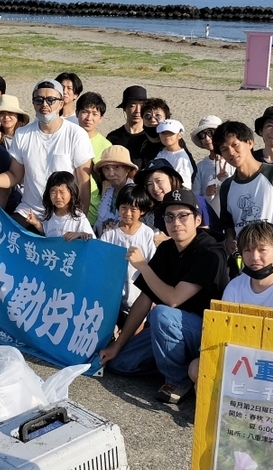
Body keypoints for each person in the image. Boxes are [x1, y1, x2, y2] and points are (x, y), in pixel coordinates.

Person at [99, 189, 229, 404]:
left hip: (205, 332)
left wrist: (142, 265)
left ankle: (177, 380)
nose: (176, 222)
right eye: (170, 217)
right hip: (170, 329)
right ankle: (181, 364)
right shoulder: (167, 248)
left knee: (162, 314)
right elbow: (145, 298)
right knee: (120, 363)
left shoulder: (211, 252)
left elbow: (173, 299)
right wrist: (118, 345)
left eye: (183, 216)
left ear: (197, 220)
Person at [213, 120, 273, 267]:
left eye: (235, 145)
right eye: (224, 149)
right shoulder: (227, 186)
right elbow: (228, 224)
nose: (231, 152)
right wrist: (229, 239)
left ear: (250, 143)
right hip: (246, 264)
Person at [6, 79, 94, 225]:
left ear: (61, 103)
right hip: (29, 211)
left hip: (64, 212)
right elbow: (14, 176)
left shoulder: (76, 134)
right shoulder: (22, 134)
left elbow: (84, 182)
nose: (44, 105)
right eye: (39, 100)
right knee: (7, 234)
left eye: (51, 100)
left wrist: (80, 220)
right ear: (33, 103)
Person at [99, 184, 156, 323]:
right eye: (124, 208)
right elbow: (100, 261)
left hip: (138, 297)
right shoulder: (109, 233)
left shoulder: (147, 233)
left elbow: (153, 265)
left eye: (133, 209)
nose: (127, 213)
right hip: (112, 298)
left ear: (142, 211)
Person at [138, 159, 218, 242]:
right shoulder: (151, 209)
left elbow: (206, 237)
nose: (155, 188)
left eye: (159, 181)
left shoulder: (194, 200)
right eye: (149, 184)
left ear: (172, 179)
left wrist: (169, 239)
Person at [75, 92, 112, 225]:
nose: (89, 118)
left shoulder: (106, 147)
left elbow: (108, 184)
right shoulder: (66, 138)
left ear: (101, 118)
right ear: (77, 113)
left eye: (95, 114)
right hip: (64, 208)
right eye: (85, 112)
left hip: (94, 213)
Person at [27, 171, 95, 240]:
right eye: (53, 192)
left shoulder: (78, 217)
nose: (58, 197)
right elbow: (46, 232)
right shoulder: (49, 216)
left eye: (62, 192)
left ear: (72, 193)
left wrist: (80, 235)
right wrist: (36, 223)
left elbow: (91, 238)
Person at [190, 115, 234, 217]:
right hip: (210, 218)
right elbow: (196, 198)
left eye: (211, 133)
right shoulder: (200, 167)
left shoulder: (233, 160)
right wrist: (207, 194)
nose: (207, 138)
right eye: (202, 135)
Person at [94, 145, 139, 234]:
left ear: (127, 169)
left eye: (116, 167)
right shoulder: (107, 191)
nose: (111, 173)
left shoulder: (136, 194)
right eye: (106, 168)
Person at [105, 85, 148, 159]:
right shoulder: (113, 137)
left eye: (141, 106)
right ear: (124, 108)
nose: (137, 111)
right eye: (132, 106)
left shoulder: (151, 138)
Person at [154, 119, 194, 189]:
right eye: (163, 133)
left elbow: (185, 185)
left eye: (170, 132)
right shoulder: (161, 154)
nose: (166, 136)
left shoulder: (182, 158)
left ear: (179, 135)